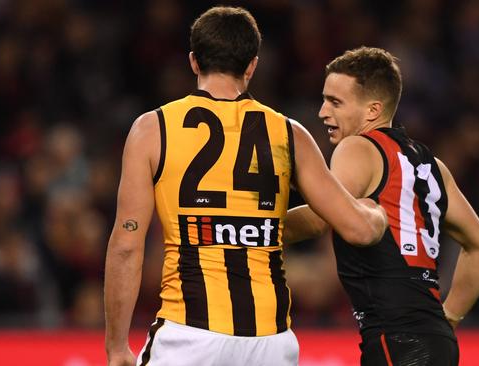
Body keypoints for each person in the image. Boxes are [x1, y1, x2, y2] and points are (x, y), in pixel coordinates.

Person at [103, 7, 388, 366]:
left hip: (189, 335)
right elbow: (355, 228)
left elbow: (127, 245)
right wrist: (377, 212)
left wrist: (116, 348)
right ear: (252, 65)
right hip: (270, 343)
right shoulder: (290, 133)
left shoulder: (152, 129)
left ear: (193, 62)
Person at [284, 47, 479, 365]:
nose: (322, 112)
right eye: (325, 99)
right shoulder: (434, 167)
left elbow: (321, 218)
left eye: (336, 102)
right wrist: (449, 318)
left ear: (372, 110)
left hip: (396, 340)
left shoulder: (357, 148)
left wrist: (255, 226)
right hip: (434, 340)